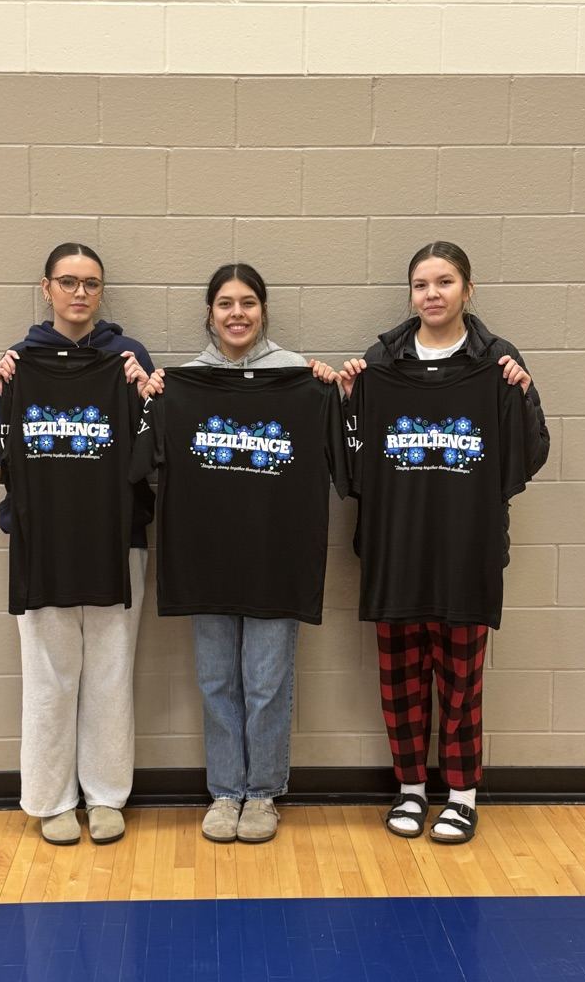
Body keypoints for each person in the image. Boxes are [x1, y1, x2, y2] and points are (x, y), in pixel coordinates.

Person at [340, 241, 549, 844]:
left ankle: (461, 795)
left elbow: (529, 454)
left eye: (445, 282)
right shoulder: (381, 362)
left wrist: (521, 395)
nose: (432, 294)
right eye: (421, 284)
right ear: (410, 294)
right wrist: (349, 398)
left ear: (467, 289)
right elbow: (349, 459)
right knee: (400, 679)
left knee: (461, 681)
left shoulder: (498, 362)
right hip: (396, 549)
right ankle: (410, 788)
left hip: (467, 550)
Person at [144, 262, 339, 844]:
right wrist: (153, 396)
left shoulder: (300, 378)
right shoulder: (183, 384)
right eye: (225, 303)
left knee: (266, 682)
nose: (237, 313)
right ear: (210, 313)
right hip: (206, 557)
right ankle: (226, 790)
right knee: (215, 681)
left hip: (277, 558)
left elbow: (339, 454)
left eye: (248, 302)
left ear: (263, 310)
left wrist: (327, 387)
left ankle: (263, 793)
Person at [0, 242, 154, 846]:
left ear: (101, 291)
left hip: (117, 539)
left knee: (110, 673)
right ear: (47, 288)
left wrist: (146, 395)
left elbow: (153, 448)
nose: (80, 293)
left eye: (91, 283)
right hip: (42, 541)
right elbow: (2, 449)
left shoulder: (127, 357)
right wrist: (3, 393)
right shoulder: (20, 359)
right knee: (48, 677)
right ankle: (51, 800)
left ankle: (106, 797)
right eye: (68, 281)